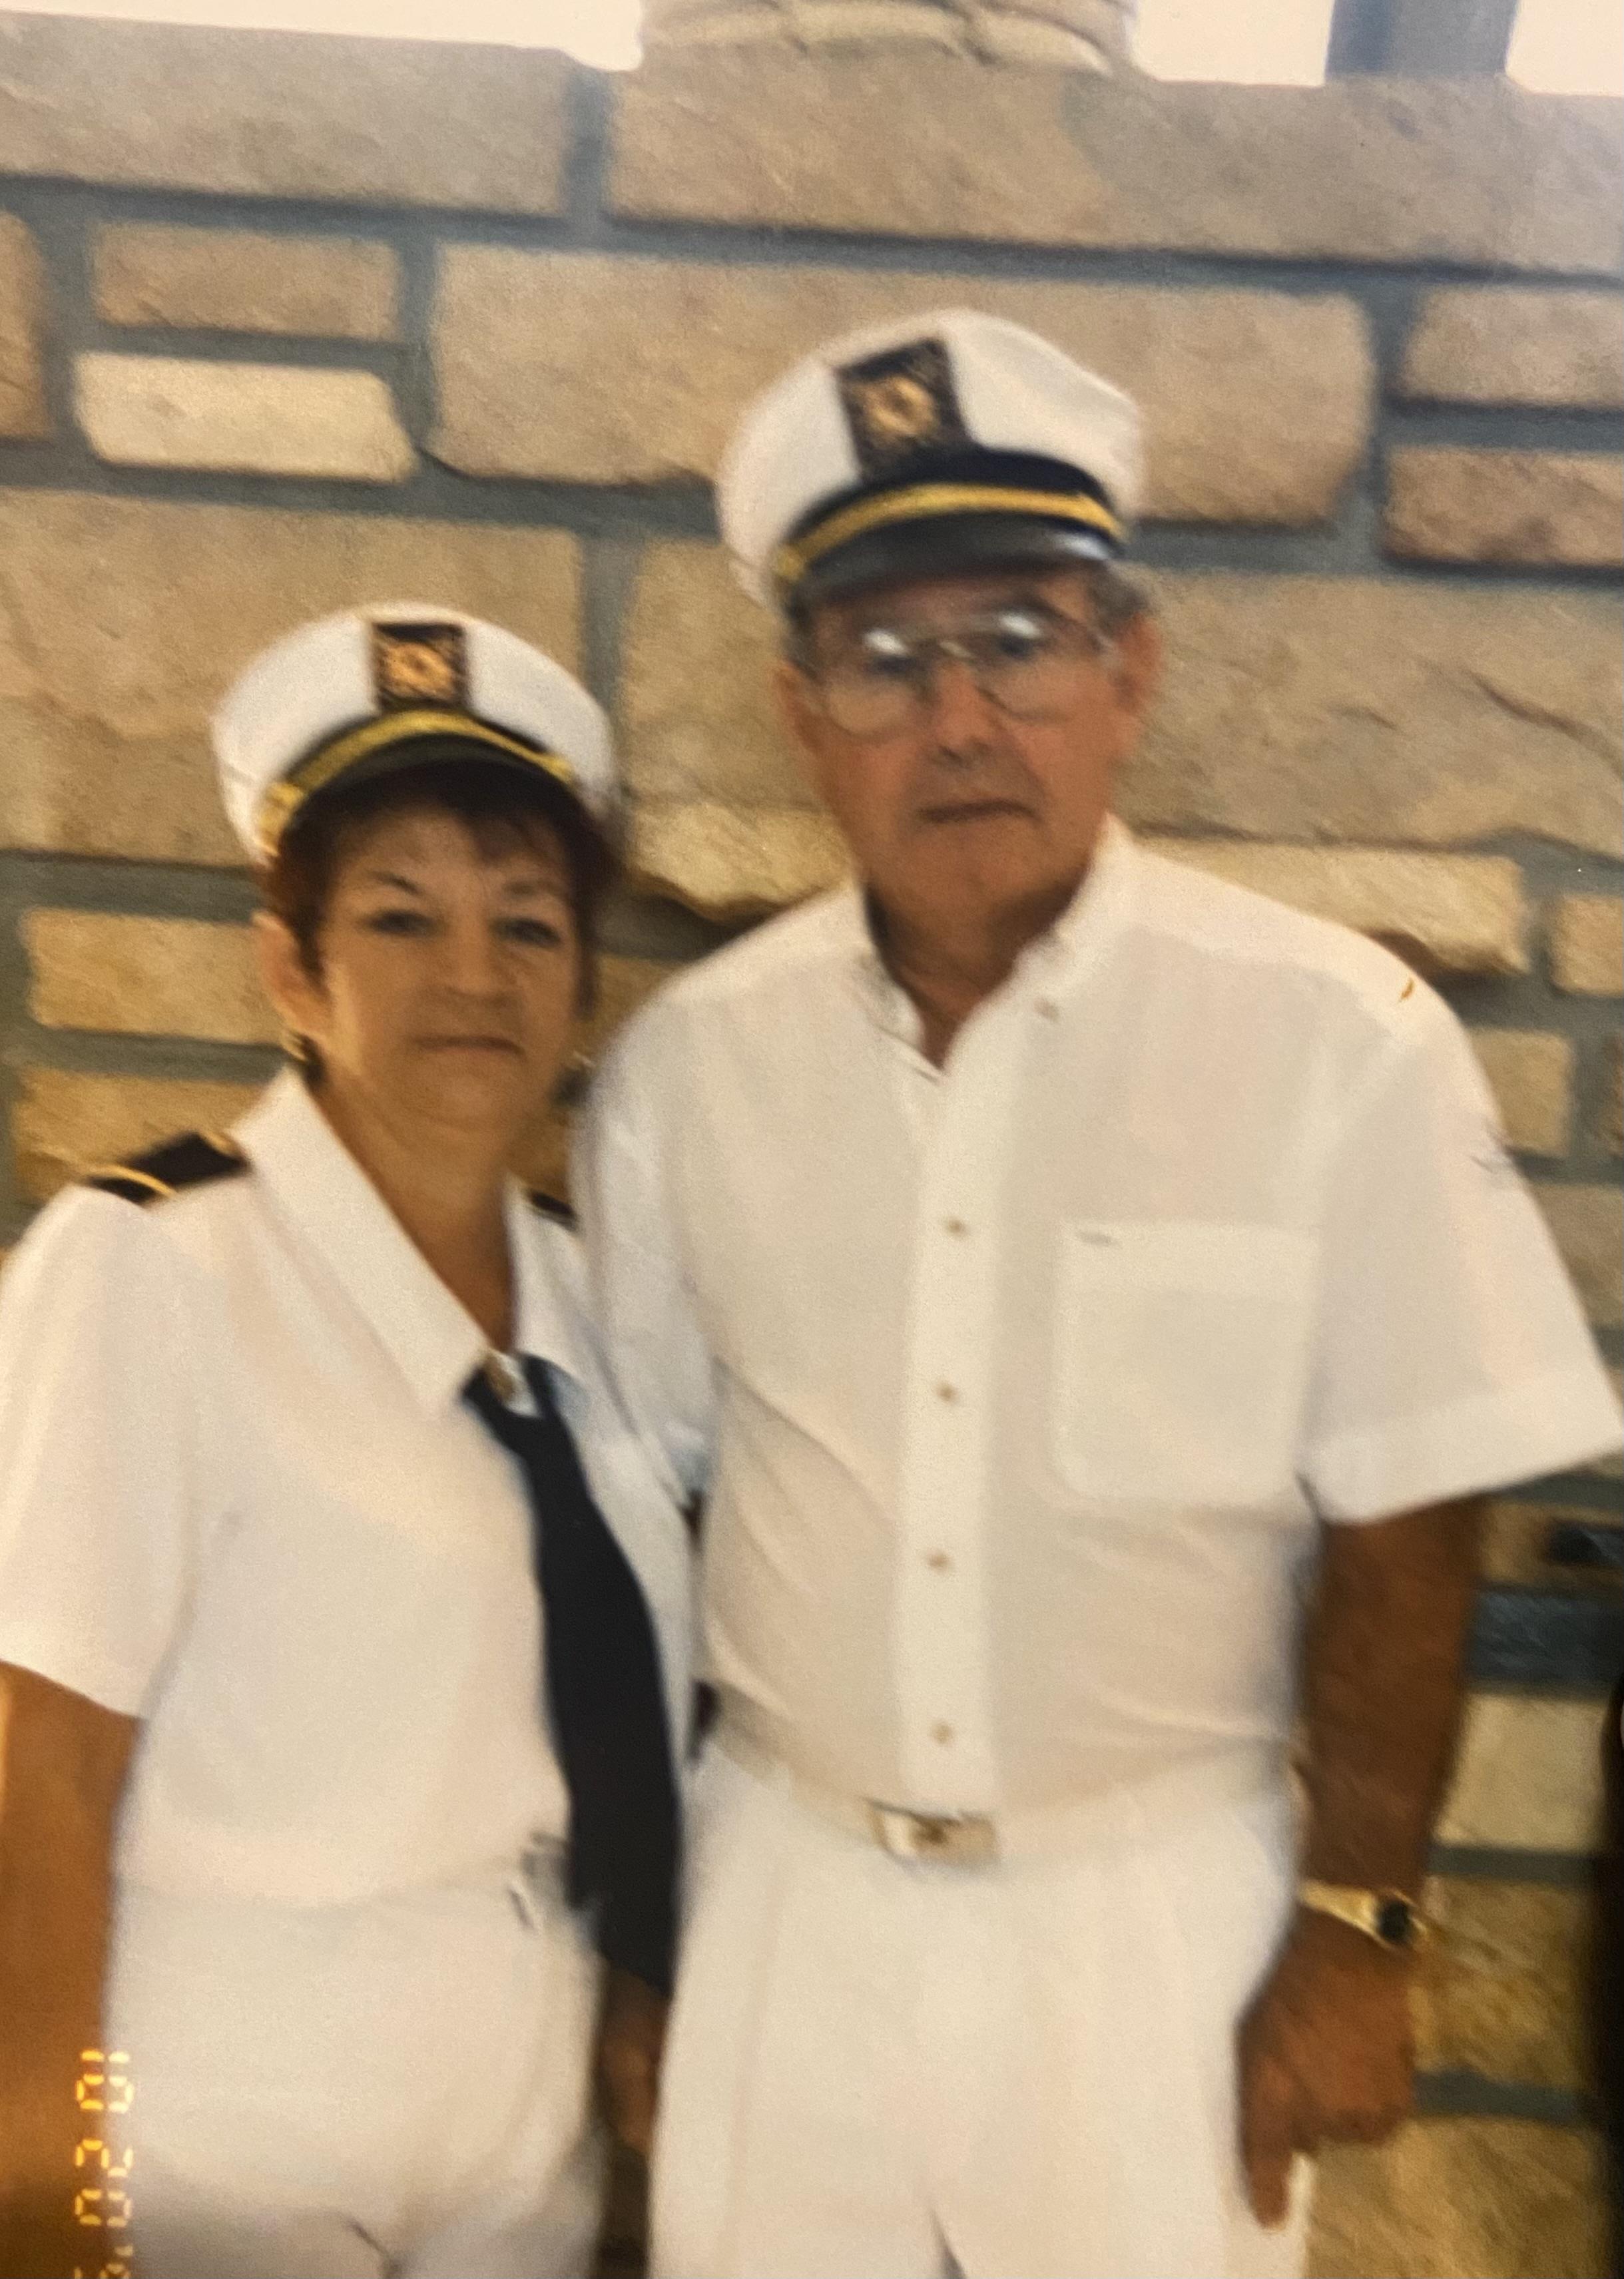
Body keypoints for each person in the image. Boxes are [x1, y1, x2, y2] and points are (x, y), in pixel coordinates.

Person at [574, 310, 1624, 2279]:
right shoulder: (690, 1073)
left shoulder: (1340, 1045)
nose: (957, 716)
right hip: (787, 1893)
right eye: (885, 661)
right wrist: (643, 1936)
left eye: (1020, 639)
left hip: (1160, 1916)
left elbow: (1415, 1514)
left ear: (1129, 670)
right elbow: (639, 1537)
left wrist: (1363, 1927)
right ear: (805, 716)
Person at [0, 605, 689, 2279]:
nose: (474, 974)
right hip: (227, 2089)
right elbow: (39, 1763)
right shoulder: (152, 1264)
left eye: (528, 924)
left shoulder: (595, 1298)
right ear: (291, 968)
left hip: (516, 2100)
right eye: (400, 917)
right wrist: (49, 2197)